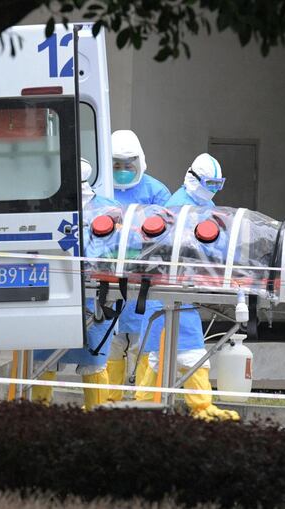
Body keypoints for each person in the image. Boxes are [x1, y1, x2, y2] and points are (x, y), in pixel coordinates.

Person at [134, 153, 239, 422]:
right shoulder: (177, 207)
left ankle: (201, 408)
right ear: (192, 179)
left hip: (182, 291)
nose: (213, 190)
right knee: (158, 355)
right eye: (209, 183)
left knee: (190, 351)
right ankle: (144, 408)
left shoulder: (203, 203)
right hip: (165, 292)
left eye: (218, 184)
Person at [32, 159, 119, 410]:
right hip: (62, 292)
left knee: (87, 357)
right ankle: (96, 417)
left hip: (85, 295)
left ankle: (39, 416)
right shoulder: (109, 209)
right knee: (47, 356)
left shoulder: (46, 206)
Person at [106, 130, 173, 401]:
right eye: (116, 165)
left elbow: (168, 234)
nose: (122, 171)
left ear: (140, 162)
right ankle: (108, 396)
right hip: (108, 277)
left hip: (145, 277)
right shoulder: (103, 189)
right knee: (110, 339)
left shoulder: (156, 192)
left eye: (128, 165)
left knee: (142, 341)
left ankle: (141, 398)